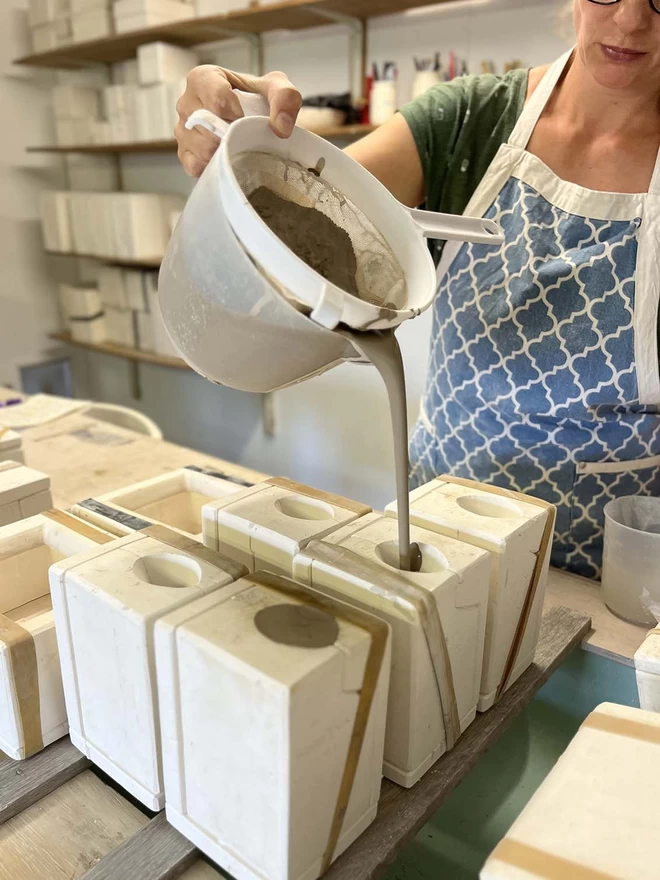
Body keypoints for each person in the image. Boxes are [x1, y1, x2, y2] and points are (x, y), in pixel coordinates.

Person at [174, 0, 660, 580]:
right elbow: (298, 212)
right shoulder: (469, 121)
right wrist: (245, 135)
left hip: (612, 568)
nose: (631, 20)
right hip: (440, 535)